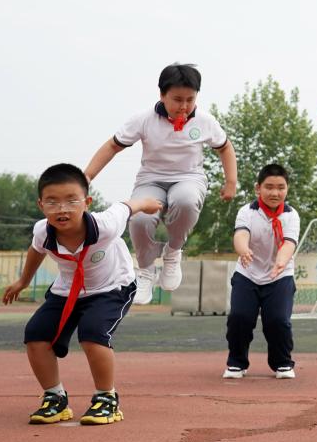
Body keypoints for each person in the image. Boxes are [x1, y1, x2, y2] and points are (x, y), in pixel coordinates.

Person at [2, 163, 162, 424]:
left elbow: (127, 206)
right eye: (52, 202)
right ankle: (55, 398)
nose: (62, 209)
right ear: (41, 205)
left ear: (86, 202)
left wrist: (147, 202)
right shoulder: (43, 231)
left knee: (93, 334)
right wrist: (22, 281)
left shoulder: (106, 225)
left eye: (71, 201)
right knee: (35, 335)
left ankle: (107, 399)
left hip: (112, 286)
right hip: (67, 290)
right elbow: (36, 250)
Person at [85, 63, 237, 304]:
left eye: (190, 99)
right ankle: (145, 269)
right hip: (151, 179)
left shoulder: (204, 121)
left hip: (189, 177)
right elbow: (113, 145)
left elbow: (225, 147)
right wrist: (87, 176)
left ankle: (173, 251)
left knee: (185, 201)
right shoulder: (144, 120)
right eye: (177, 99)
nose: (184, 106)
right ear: (162, 95)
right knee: (140, 218)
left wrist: (231, 181)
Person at [223, 164, 300, 380]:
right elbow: (240, 235)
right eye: (269, 187)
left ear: (287, 189)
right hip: (248, 273)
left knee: (277, 320)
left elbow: (289, 243)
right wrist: (243, 250)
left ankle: (282, 363)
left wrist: (280, 262)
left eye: (281, 187)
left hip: (280, 275)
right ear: (258, 188)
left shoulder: (291, 215)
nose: (275, 193)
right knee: (240, 317)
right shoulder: (246, 211)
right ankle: (237, 362)